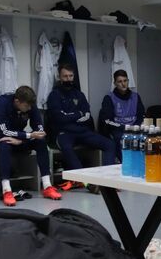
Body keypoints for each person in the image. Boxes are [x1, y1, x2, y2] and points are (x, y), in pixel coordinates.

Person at [0, 85, 63, 207]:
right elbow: (3, 132)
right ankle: (7, 190)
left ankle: (47, 186)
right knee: (5, 143)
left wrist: (25, 139)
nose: (30, 108)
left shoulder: (29, 103)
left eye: (31, 106)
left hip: (18, 139)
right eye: (26, 106)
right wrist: (28, 135)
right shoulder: (2, 102)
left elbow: (39, 128)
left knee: (41, 142)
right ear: (17, 101)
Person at [46, 62, 116, 190]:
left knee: (109, 144)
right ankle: (87, 183)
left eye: (70, 76)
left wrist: (70, 116)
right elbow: (59, 118)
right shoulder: (54, 95)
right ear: (60, 77)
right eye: (65, 76)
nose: (68, 79)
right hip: (64, 133)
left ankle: (108, 181)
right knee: (66, 147)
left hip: (82, 131)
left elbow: (87, 115)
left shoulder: (79, 94)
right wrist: (77, 114)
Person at [97, 70, 145, 143]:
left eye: (125, 81)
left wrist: (135, 127)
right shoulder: (109, 98)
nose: (123, 84)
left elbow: (141, 115)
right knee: (124, 141)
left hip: (134, 128)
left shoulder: (135, 96)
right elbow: (107, 121)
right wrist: (124, 127)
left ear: (128, 81)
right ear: (115, 83)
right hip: (118, 129)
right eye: (120, 81)